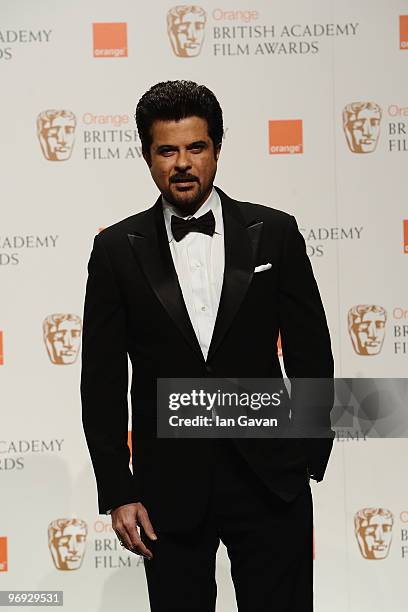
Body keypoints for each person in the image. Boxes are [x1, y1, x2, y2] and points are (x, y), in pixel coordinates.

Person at [81, 80, 334, 611]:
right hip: (167, 489)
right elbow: (102, 381)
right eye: (167, 150)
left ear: (217, 148)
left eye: (196, 147)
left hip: (269, 478)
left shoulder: (275, 233)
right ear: (147, 156)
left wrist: (309, 452)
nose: (182, 163)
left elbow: (312, 349)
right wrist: (118, 489)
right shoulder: (115, 251)